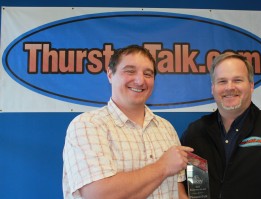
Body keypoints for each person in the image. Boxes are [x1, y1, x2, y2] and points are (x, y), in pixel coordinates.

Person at [62, 45, 193, 199]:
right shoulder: (87, 125)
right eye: (130, 71)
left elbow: (177, 191)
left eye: (148, 74)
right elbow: (98, 195)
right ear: (110, 74)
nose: (140, 80)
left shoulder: (166, 128)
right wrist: (162, 167)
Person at [180, 52, 261, 199]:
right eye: (222, 81)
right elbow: (187, 188)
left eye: (237, 80)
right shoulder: (195, 133)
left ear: (251, 86)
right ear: (213, 88)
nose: (229, 87)